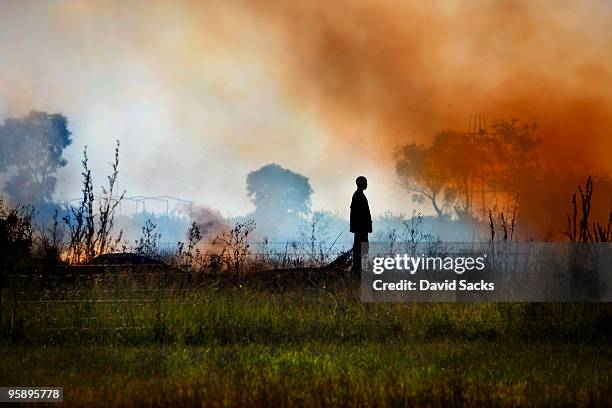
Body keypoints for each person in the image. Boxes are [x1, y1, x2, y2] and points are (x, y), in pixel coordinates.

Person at [350, 176, 372, 272]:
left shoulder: (358, 195)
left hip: (360, 228)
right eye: (365, 182)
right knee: (361, 248)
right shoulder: (358, 196)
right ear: (361, 184)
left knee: (361, 248)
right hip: (361, 229)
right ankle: (357, 269)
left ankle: (357, 268)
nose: (367, 184)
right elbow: (359, 214)